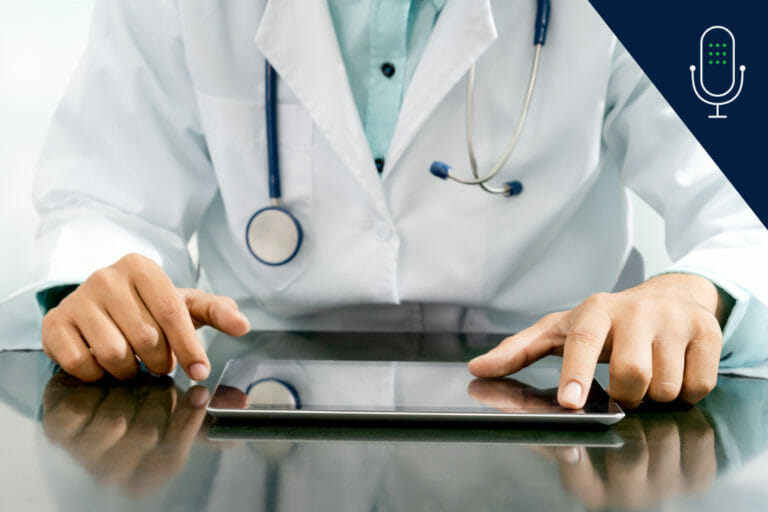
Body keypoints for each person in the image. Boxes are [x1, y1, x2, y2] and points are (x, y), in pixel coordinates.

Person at [33, 0, 768, 409]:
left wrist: (694, 293)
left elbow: (747, 218)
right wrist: (102, 287)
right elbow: (102, 195)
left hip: (561, 411)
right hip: (252, 416)